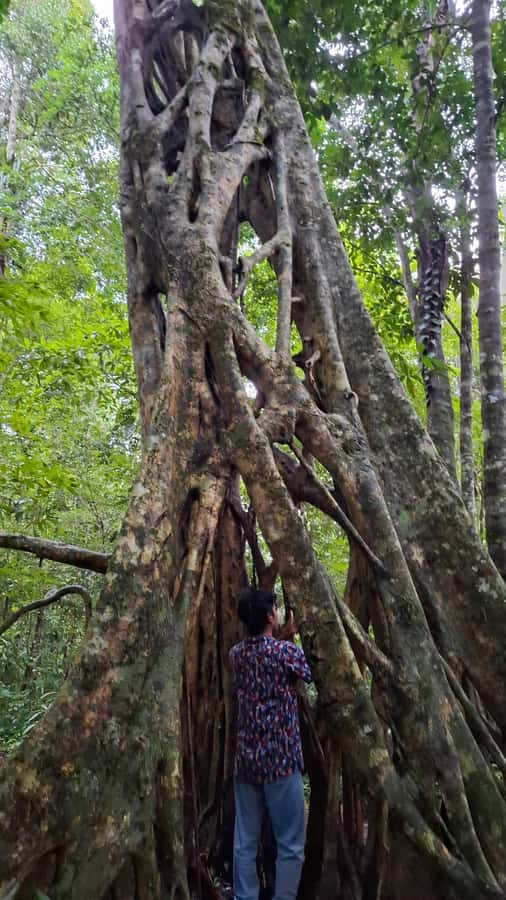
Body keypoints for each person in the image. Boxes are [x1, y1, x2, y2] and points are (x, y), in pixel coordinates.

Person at [229, 586, 312, 900]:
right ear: (269, 616)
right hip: (281, 760)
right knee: (290, 844)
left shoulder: (236, 654)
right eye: (275, 609)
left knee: (244, 842)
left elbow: (260, 659)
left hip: (247, 762)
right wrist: (290, 637)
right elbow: (308, 673)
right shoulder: (285, 653)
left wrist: (282, 636)